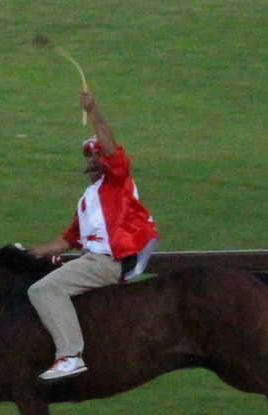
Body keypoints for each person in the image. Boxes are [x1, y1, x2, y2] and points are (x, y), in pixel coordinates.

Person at [27, 90, 160, 383]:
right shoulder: (90, 197)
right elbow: (67, 240)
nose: (92, 159)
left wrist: (94, 111)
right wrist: (27, 253)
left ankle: (70, 356)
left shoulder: (116, 181)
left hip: (106, 262)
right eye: (89, 155)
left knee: (43, 291)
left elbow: (111, 147)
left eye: (96, 154)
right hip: (95, 259)